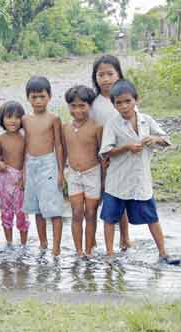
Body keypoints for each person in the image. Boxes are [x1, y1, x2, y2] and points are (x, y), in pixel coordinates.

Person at [99, 79, 180, 265]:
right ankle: (110, 254)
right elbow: (105, 152)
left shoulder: (146, 120)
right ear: (114, 105)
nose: (124, 106)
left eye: (128, 101)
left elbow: (166, 140)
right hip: (118, 180)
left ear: (136, 100)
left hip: (140, 180)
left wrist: (154, 139)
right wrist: (126, 147)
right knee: (110, 218)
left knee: (152, 217)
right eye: (119, 103)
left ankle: (163, 252)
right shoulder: (112, 124)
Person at [91, 54, 131, 251]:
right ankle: (92, 237)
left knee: (119, 198)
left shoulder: (123, 100)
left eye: (110, 74)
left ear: (119, 75)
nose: (105, 79)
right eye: (100, 75)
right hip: (99, 158)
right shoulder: (94, 103)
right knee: (96, 198)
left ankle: (125, 237)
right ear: (95, 77)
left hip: (121, 157)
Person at [22, 76, 64, 257]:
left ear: (50, 97)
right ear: (28, 98)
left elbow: (59, 145)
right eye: (34, 97)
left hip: (49, 164)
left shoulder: (54, 118)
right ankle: (43, 243)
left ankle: (56, 247)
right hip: (31, 165)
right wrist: (23, 172)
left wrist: (61, 171)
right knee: (37, 208)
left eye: (42, 96)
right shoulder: (25, 119)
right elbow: (24, 145)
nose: (38, 101)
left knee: (53, 208)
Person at [62, 85, 102, 258]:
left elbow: (102, 153)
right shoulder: (65, 128)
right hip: (73, 175)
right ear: (68, 106)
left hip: (93, 173)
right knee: (76, 213)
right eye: (73, 106)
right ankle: (79, 252)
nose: (77, 110)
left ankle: (89, 250)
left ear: (90, 106)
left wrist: (105, 180)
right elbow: (63, 152)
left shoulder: (96, 127)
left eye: (82, 106)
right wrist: (60, 172)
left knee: (91, 213)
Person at [0, 101, 30, 248]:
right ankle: (8, 242)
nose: (13, 121)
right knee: (6, 211)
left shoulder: (25, 138)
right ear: (2, 119)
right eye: (9, 117)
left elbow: (28, 158)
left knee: (22, 212)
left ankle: (23, 244)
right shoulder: (0, 139)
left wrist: (25, 176)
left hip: (20, 179)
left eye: (17, 117)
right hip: (4, 179)